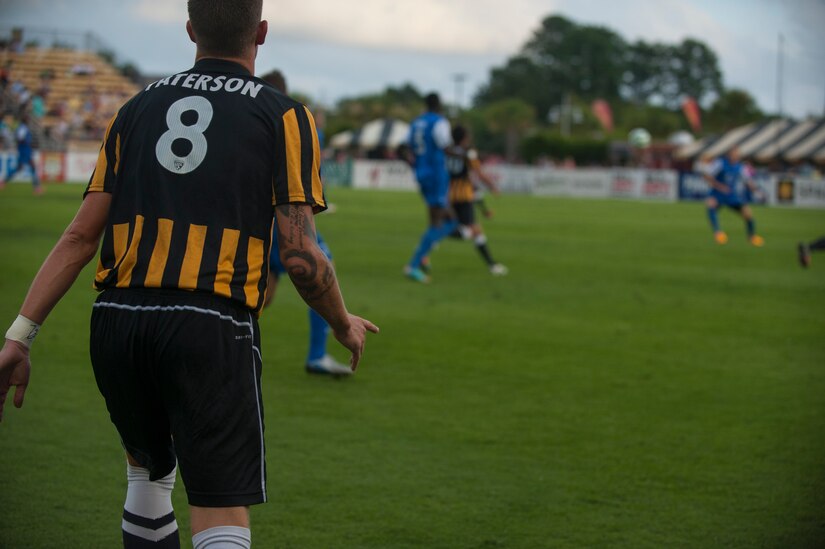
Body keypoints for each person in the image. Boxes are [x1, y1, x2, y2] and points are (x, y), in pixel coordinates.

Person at [0, 2, 378, 549]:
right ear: (262, 33)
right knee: (219, 504)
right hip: (208, 321)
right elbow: (300, 256)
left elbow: (80, 236)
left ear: (189, 30)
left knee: (147, 477)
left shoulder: (135, 108)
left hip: (118, 319)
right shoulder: (285, 115)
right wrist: (341, 323)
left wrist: (19, 335)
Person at [259, 69, 350, 377]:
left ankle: (224, 347)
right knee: (320, 266)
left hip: (256, 222)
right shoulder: (288, 121)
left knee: (263, 296)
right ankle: (317, 356)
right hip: (285, 218)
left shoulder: (252, 117)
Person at [404, 92, 458, 283]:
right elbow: (446, 146)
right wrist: (464, 155)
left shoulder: (416, 122)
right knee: (446, 220)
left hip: (422, 175)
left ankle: (424, 258)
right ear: (439, 104)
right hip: (436, 174)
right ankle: (413, 265)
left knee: (439, 218)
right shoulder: (439, 122)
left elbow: (402, 147)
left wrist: (415, 166)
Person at [445, 125, 507, 275]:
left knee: (472, 230)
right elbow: (479, 173)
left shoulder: (446, 151)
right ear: (464, 138)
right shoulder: (469, 153)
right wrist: (493, 187)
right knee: (474, 231)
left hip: (449, 196)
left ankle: (492, 265)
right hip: (464, 196)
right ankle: (492, 265)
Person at [702, 146, 764, 246]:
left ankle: (752, 237)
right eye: (733, 153)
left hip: (731, 195)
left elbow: (748, 181)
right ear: (728, 155)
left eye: (737, 154)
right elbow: (706, 175)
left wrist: (757, 191)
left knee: (748, 213)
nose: (735, 156)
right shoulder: (720, 163)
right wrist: (720, 186)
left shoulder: (741, 167)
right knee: (711, 204)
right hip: (718, 194)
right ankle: (718, 233)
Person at [2, 113, 42, 194]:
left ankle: (4, 181)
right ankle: (37, 187)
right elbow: (19, 138)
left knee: (19, 168)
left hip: (25, 150)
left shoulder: (23, 127)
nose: (29, 120)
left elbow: (18, 138)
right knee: (32, 167)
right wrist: (27, 143)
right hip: (24, 151)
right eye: (27, 119)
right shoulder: (22, 128)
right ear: (25, 120)